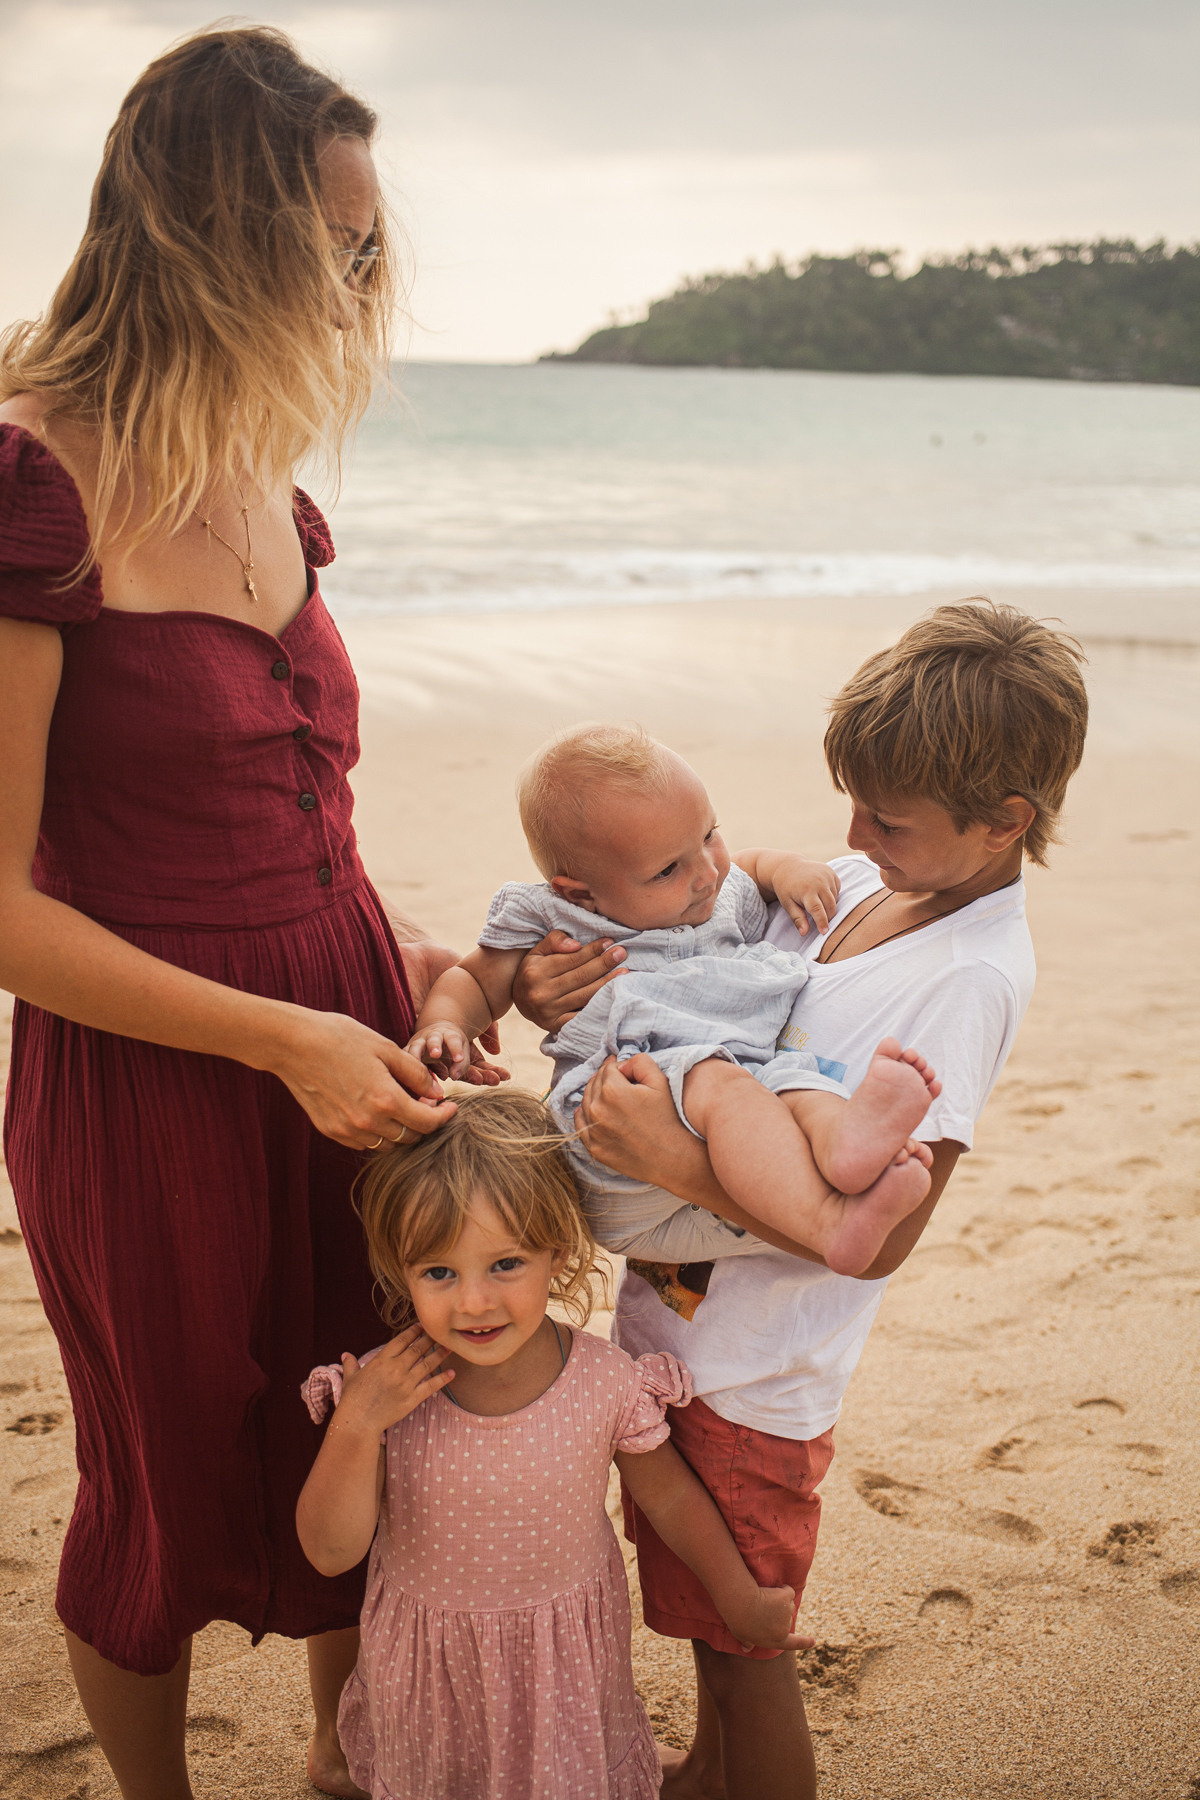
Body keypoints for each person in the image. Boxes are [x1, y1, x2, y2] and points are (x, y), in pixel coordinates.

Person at [0, 28, 496, 1800]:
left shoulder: (261, 472)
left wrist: (416, 963)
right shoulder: (33, 480)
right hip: (154, 1071)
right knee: (163, 1480)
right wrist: (287, 1037)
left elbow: (300, 821)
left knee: (372, 1413)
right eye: (330, 244)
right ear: (211, 232)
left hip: (346, 1032)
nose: (359, 285)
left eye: (370, 244)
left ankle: (340, 1769)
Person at [511, 601, 1089, 1800]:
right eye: (854, 804)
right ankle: (706, 1777)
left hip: (757, 1375)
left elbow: (882, 1244)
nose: (855, 835)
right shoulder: (876, 878)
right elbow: (686, 951)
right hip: (684, 1329)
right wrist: (556, 988)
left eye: (888, 818)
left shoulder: (970, 977)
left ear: (1004, 822)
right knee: (705, 1640)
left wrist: (673, 1164)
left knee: (747, 1655)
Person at [296, 1088, 809, 1800]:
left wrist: (738, 1596)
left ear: (556, 1252)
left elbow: (668, 1497)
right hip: (430, 1681)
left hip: (562, 1674)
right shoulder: (387, 1394)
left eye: (505, 1264)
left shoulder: (605, 1381)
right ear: (399, 1269)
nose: (474, 1301)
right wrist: (356, 1425)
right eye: (439, 1272)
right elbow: (330, 1552)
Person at [408, 723, 942, 1278]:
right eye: (668, 869)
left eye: (709, 835)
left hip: (727, 1135)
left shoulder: (716, 891)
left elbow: (751, 867)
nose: (707, 874)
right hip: (618, 1130)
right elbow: (476, 979)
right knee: (723, 1083)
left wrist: (787, 869)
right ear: (581, 892)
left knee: (800, 1084)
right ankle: (828, 1223)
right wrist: (444, 1023)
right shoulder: (555, 916)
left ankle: (843, 1148)